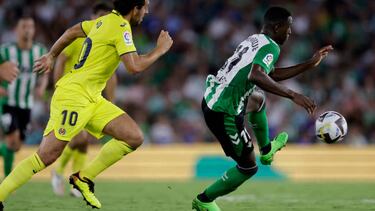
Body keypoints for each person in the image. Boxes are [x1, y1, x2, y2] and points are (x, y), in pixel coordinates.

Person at [0, 0, 173, 210]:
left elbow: (73, 30)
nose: (146, 11)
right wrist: (160, 50)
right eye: (144, 7)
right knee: (47, 155)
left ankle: (84, 178)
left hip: (92, 97)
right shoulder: (121, 27)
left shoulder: (103, 22)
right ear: (134, 8)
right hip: (74, 96)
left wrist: (52, 55)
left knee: (133, 136)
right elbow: (134, 67)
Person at [192, 6, 331, 211]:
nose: (290, 32)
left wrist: (309, 64)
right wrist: (293, 95)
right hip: (224, 111)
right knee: (248, 167)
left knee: (258, 100)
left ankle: (266, 150)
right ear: (277, 26)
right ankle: (204, 200)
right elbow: (256, 75)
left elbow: (270, 74)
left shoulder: (254, 40)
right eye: (288, 27)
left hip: (214, 97)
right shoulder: (272, 47)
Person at [50, 1, 115, 198]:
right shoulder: (81, 37)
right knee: (79, 138)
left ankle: (74, 184)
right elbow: (61, 58)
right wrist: (57, 87)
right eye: (100, 16)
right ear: (93, 17)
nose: (102, 21)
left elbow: (111, 76)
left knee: (83, 142)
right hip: (71, 96)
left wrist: (110, 101)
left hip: (90, 98)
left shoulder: (107, 42)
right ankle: (59, 172)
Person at [0, 16, 48, 178]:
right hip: (7, 102)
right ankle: (7, 181)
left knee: (16, 146)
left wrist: (41, 86)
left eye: (30, 27)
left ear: (34, 30)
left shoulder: (40, 51)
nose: (27, 30)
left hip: (26, 104)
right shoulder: (6, 51)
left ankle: (4, 153)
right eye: (24, 26)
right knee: (12, 140)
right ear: (16, 30)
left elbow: (45, 73)